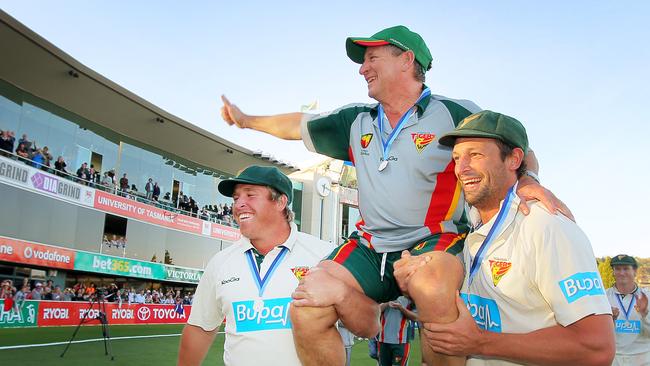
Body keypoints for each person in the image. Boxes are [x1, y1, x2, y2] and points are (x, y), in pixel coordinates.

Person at [221, 25, 567, 366]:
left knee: (432, 288)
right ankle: (365, 313)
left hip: (435, 240)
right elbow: (299, 125)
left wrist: (528, 180)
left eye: (372, 57)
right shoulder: (356, 120)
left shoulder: (454, 113)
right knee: (307, 304)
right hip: (370, 245)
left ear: (406, 60)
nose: (362, 68)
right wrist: (247, 120)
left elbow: (517, 149)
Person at [417, 110, 614, 365]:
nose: (461, 169)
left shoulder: (546, 226)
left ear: (514, 159)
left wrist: (481, 342)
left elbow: (597, 347)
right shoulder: (473, 228)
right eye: (456, 158)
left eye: (475, 155)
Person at [178, 166, 335, 366]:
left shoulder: (324, 255)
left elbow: (362, 320)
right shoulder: (220, 262)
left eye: (250, 195)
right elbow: (200, 328)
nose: (239, 204)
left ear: (281, 201)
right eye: (236, 198)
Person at [607, 254, 650, 365]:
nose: (621, 273)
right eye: (617, 269)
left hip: (642, 358)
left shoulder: (647, 296)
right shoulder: (604, 297)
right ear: (613, 271)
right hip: (614, 358)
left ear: (635, 271)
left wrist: (645, 314)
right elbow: (597, 333)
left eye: (626, 268)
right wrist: (609, 320)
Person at [377, 296, 418, 366]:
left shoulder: (410, 295)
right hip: (383, 341)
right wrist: (387, 304)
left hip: (401, 342)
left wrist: (401, 308)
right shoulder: (385, 292)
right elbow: (375, 310)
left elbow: (416, 317)